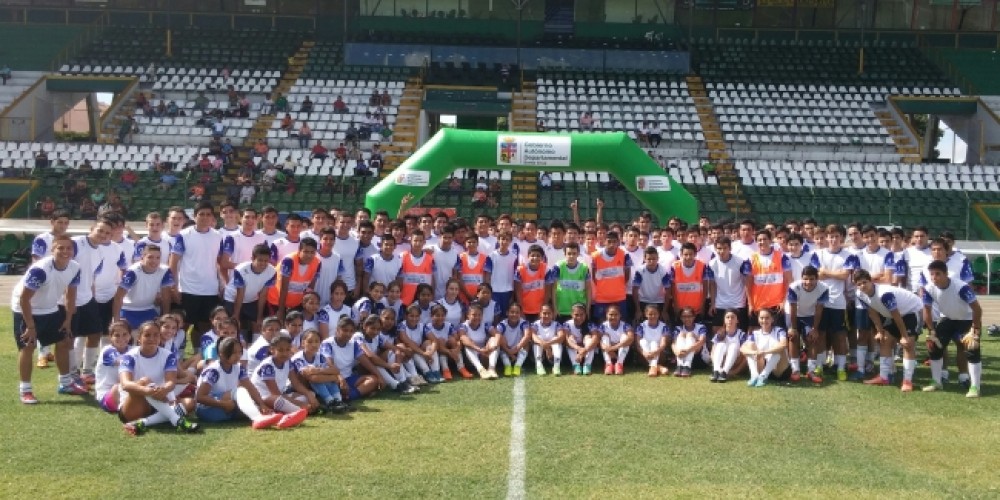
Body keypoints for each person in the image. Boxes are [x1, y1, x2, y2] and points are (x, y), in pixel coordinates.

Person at [12, 235, 85, 404]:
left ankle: (65, 383)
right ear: (53, 250)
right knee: (27, 347)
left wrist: (67, 319)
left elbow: (71, 295)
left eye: (69, 248)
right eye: (60, 248)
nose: (65, 251)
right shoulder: (41, 269)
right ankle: (26, 390)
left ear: (73, 251)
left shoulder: (75, 267)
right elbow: (24, 299)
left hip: (50, 308)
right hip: (25, 308)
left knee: (63, 342)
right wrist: (30, 326)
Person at [119, 321, 201, 436]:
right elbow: (125, 384)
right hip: (134, 405)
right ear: (139, 338)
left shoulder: (168, 355)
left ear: (159, 337)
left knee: (190, 403)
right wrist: (148, 391)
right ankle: (176, 419)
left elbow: (171, 382)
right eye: (147, 335)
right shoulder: (129, 356)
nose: (152, 338)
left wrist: (163, 390)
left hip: (159, 401)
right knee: (145, 381)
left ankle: (143, 423)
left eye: (156, 335)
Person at [853, 269, 924, 392]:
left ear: (871, 281)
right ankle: (884, 377)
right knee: (884, 340)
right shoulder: (860, 294)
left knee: (907, 344)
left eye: (864, 282)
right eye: (859, 284)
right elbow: (872, 312)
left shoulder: (884, 294)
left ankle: (907, 381)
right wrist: (880, 331)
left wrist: (904, 336)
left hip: (911, 311)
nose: (862, 286)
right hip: (895, 315)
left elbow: (896, 315)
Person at [921, 260, 983, 397]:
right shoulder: (928, 288)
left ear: (946, 274)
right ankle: (936, 381)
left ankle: (975, 387)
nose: (934, 278)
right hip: (947, 319)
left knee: (971, 349)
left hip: (967, 320)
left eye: (938, 274)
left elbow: (977, 309)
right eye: (932, 274)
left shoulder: (961, 287)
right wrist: (931, 330)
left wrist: (975, 329)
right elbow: (926, 310)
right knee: (933, 345)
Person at [195, 337, 286, 428]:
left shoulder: (238, 367)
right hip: (208, 409)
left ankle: (273, 416)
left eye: (239, 352)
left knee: (252, 405)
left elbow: (250, 387)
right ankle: (258, 418)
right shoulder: (213, 371)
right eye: (234, 352)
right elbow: (199, 397)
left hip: (228, 406)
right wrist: (222, 404)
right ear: (221, 354)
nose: (238, 356)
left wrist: (262, 404)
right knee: (239, 391)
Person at [168, 202, 226, 338]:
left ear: (213, 217)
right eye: (201, 214)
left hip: (210, 290)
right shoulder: (183, 235)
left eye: (208, 214)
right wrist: (174, 287)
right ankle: (185, 353)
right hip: (189, 289)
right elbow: (173, 262)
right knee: (187, 325)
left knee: (208, 325)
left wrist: (222, 284)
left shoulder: (218, 236)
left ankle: (203, 354)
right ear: (194, 216)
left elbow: (218, 263)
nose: (205, 217)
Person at [250, 333, 315, 425]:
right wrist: (299, 404)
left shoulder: (288, 362)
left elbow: (296, 383)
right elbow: (275, 393)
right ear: (272, 350)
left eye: (288, 350)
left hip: (281, 395)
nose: (285, 353)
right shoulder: (267, 366)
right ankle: (297, 412)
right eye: (280, 350)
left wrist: (309, 395)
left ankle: (286, 413)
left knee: (309, 395)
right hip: (263, 398)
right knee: (278, 400)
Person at [112, 244, 174, 330]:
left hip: (149, 309)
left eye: (157, 258)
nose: (154, 261)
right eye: (150, 257)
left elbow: (166, 297)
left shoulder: (165, 270)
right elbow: (118, 297)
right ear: (142, 258)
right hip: (128, 310)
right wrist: (116, 320)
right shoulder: (133, 272)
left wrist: (165, 318)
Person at [223, 244, 277, 342]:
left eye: (266, 261)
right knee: (234, 324)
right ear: (252, 258)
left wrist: (259, 317)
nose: (263, 264)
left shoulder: (272, 271)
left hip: (252, 298)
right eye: (260, 260)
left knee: (257, 323)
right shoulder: (241, 269)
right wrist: (236, 315)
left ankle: (253, 348)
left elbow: (263, 294)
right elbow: (240, 293)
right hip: (232, 298)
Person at [786, 265, 830, 384]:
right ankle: (795, 369)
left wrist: (815, 329)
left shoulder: (824, 288)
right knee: (793, 338)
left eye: (811, 279)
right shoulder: (794, 287)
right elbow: (793, 308)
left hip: (810, 314)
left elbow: (819, 309)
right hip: (793, 313)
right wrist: (794, 328)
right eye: (805, 278)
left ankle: (811, 370)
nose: (808, 282)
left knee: (813, 338)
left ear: (817, 279)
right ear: (801, 278)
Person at [320, 317, 381, 401]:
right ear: (337, 330)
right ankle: (347, 395)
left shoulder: (353, 344)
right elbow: (330, 364)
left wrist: (379, 376)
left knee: (373, 380)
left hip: (349, 378)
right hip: (334, 378)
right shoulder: (327, 343)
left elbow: (365, 361)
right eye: (345, 330)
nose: (348, 334)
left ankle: (348, 396)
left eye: (351, 331)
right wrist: (340, 378)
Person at [292, 330, 352, 413]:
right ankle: (330, 402)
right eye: (310, 342)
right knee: (317, 379)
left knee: (323, 377)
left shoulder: (319, 356)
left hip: (314, 385)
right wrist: (334, 377)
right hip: (300, 388)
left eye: (317, 341)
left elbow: (335, 370)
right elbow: (310, 377)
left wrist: (318, 370)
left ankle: (338, 400)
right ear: (303, 343)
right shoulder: (298, 358)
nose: (314, 345)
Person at [740, 309, 790, 387]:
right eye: (762, 318)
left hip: (779, 370)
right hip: (763, 366)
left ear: (772, 319)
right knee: (749, 346)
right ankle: (755, 375)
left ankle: (763, 376)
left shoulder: (779, 331)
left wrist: (765, 352)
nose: (764, 320)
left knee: (779, 347)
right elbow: (742, 348)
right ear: (758, 319)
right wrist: (755, 352)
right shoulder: (755, 333)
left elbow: (783, 344)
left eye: (767, 318)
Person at [95, 320, 132, 413]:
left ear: (130, 335)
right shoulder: (107, 351)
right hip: (107, 395)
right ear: (110, 337)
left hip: (126, 390)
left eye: (125, 334)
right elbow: (121, 361)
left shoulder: (133, 349)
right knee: (118, 387)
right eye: (117, 335)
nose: (121, 338)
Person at [514, 244, 551, 322]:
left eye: (538, 256)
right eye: (532, 255)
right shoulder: (520, 270)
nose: (535, 258)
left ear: (542, 257)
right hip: (524, 309)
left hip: (539, 310)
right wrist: (521, 310)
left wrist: (542, 310)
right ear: (528, 256)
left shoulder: (546, 270)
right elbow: (518, 292)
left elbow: (548, 292)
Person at [709, 310, 747, 383]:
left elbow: (745, 355)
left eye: (732, 317)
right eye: (728, 317)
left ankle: (724, 372)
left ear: (737, 320)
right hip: (720, 363)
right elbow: (713, 352)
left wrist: (735, 371)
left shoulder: (741, 334)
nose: (730, 319)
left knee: (733, 345)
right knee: (720, 344)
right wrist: (718, 367)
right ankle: (716, 371)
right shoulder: (719, 333)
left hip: (736, 362)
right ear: (724, 320)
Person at [528, 303, 564, 376]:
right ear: (540, 314)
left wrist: (548, 344)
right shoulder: (535, 324)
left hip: (552, 350)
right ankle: (538, 365)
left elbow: (561, 337)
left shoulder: (556, 324)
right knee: (538, 339)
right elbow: (533, 336)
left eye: (549, 313)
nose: (546, 316)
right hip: (541, 347)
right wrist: (544, 344)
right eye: (544, 313)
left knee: (556, 339)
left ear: (553, 314)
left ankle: (556, 366)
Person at [636, 304, 671, 377]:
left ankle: (653, 366)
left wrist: (655, 352)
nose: (653, 316)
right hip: (645, 354)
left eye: (655, 314)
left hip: (659, 354)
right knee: (643, 341)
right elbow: (637, 343)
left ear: (659, 314)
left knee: (654, 343)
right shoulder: (641, 326)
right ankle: (657, 367)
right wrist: (644, 352)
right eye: (650, 314)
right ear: (646, 314)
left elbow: (663, 344)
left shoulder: (664, 326)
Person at [672, 306, 707, 377]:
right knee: (681, 334)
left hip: (698, 357)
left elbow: (702, 341)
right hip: (682, 356)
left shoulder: (701, 327)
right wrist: (676, 352)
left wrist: (687, 350)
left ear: (694, 317)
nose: (687, 319)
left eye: (689, 316)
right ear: (681, 318)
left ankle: (687, 366)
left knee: (690, 334)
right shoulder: (678, 328)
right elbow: (673, 343)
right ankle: (680, 366)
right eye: (684, 316)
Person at [598, 304, 633, 375]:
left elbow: (631, 338)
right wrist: (607, 349)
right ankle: (608, 364)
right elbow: (597, 340)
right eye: (611, 314)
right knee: (604, 337)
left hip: (621, 351)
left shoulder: (625, 325)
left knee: (625, 337)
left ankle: (619, 364)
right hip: (607, 352)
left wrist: (614, 348)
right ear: (606, 315)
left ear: (620, 315)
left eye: (616, 314)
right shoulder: (603, 326)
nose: (613, 317)